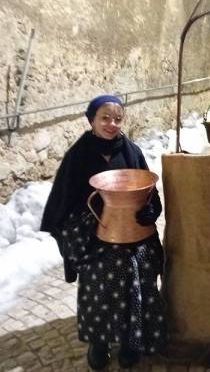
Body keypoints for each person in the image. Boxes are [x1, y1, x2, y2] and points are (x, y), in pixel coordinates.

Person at [40, 95, 167, 370]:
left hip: (135, 231)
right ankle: (100, 341)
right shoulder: (78, 156)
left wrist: (151, 211)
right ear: (92, 120)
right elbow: (63, 201)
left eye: (118, 119)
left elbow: (149, 190)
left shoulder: (131, 151)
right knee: (108, 271)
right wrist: (88, 223)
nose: (112, 124)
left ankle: (132, 340)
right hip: (95, 235)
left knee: (142, 266)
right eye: (105, 118)